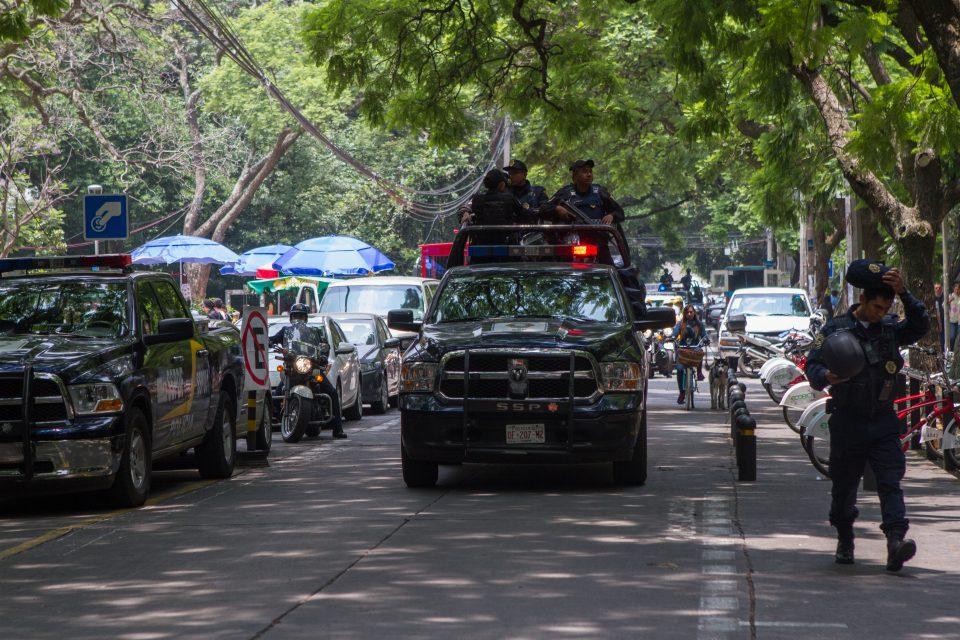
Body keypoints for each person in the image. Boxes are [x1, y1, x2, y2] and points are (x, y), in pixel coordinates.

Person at [806, 260, 929, 571]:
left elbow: (921, 326)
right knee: (844, 487)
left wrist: (905, 293)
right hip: (848, 419)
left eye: (885, 308)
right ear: (862, 299)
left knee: (890, 481)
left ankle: (896, 542)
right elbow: (812, 365)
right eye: (876, 307)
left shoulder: (889, 328)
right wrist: (826, 376)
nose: (880, 313)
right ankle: (845, 538)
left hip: (883, 420)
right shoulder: (834, 329)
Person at [270, 304, 347, 439]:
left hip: (311, 368)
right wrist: (268, 341)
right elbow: (273, 340)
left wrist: (323, 355)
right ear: (291, 318)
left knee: (332, 393)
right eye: (295, 316)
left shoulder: (314, 332)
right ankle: (271, 419)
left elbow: (324, 345)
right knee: (277, 393)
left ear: (305, 318)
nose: (298, 318)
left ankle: (338, 429)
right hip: (292, 368)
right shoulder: (285, 331)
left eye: (300, 316)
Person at [540, 159, 625, 225]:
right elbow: (543, 208)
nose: (589, 174)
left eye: (590, 172)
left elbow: (620, 212)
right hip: (571, 238)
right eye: (585, 172)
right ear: (575, 176)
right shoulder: (565, 192)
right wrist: (557, 208)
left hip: (597, 237)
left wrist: (612, 216)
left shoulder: (600, 192)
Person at [461, 169, 527, 252]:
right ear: (502, 184)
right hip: (506, 248)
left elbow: (465, 207)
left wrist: (465, 212)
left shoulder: (477, 199)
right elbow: (524, 215)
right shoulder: (510, 198)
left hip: (481, 246)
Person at [673, 304, 708, 405]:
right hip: (683, 349)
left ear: (694, 313)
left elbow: (704, 335)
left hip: (694, 348)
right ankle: (682, 393)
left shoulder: (699, 324)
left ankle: (699, 372)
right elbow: (675, 333)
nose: (689, 314)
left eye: (691, 312)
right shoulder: (680, 323)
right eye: (687, 312)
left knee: (700, 351)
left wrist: (706, 339)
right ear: (684, 313)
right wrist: (672, 337)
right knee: (680, 370)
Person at [504, 159, 547, 224]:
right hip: (510, 229)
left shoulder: (538, 192)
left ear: (524, 174)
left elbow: (546, 211)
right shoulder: (506, 193)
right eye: (510, 173)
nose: (511, 176)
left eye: (515, 173)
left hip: (533, 229)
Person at [949, 282, 960, 351]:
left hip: (959, 321)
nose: (957, 291)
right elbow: (944, 305)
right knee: (952, 337)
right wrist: (949, 301)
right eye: (955, 289)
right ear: (953, 289)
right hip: (952, 320)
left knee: (958, 338)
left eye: (958, 289)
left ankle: (957, 352)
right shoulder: (951, 296)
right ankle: (952, 351)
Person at [935, 282, 945, 351]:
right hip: (938, 321)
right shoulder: (933, 298)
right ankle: (943, 351)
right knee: (941, 337)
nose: (938, 289)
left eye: (939, 288)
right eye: (936, 288)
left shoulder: (945, 296)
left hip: (946, 319)